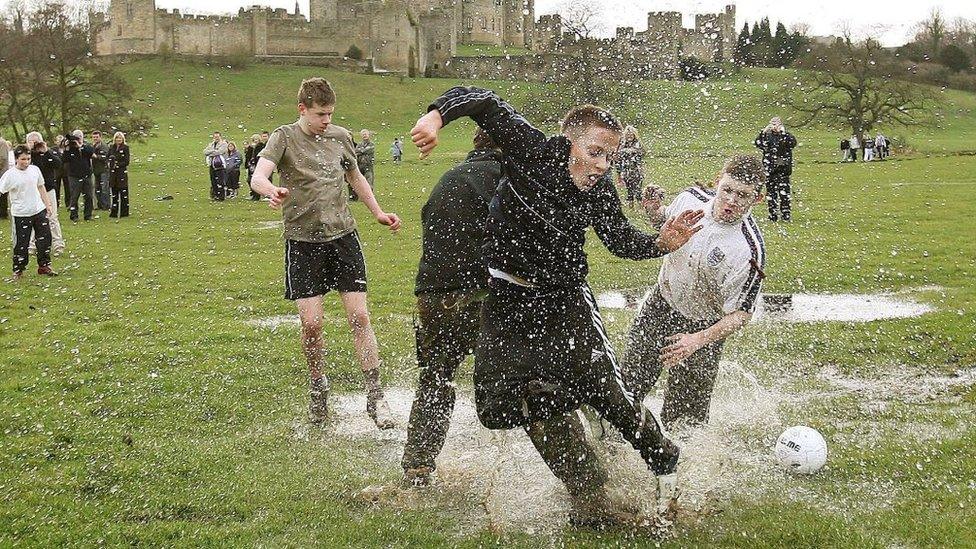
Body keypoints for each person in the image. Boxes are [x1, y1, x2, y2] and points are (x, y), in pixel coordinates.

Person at [411, 87, 704, 527]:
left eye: (611, 156)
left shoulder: (600, 190)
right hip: (508, 298)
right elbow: (482, 100)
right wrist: (435, 118)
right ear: (568, 143)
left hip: (565, 299)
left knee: (607, 393)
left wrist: (660, 242)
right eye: (595, 153)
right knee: (498, 405)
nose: (603, 166)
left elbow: (620, 239)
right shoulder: (532, 150)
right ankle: (586, 471)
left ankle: (663, 457)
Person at [250, 77, 402, 429]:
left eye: (331, 114)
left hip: (343, 237)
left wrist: (378, 212)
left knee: (359, 318)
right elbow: (258, 176)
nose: (326, 121)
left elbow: (357, 178)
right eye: (320, 114)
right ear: (302, 109)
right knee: (313, 325)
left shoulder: (340, 137)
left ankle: (375, 397)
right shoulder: (283, 137)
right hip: (302, 243)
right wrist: (269, 190)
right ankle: (318, 387)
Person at [623, 155, 766, 430]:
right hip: (660, 306)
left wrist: (697, 340)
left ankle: (679, 467)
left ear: (756, 199)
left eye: (743, 195)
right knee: (627, 386)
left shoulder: (748, 250)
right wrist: (654, 211)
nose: (732, 201)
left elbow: (741, 314)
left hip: (704, 328)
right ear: (717, 182)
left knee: (684, 421)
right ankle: (612, 446)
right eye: (728, 190)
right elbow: (664, 227)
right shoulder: (690, 198)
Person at [401, 129, 504, 486]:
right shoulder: (508, 180)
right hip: (482, 295)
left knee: (435, 376)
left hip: (433, 295)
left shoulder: (450, 177)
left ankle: (417, 464)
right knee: (530, 372)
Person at [1, 145, 57, 279]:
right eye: (23, 159)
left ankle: (44, 265)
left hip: (38, 210)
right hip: (21, 213)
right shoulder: (9, 175)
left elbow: (41, 186)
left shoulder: (35, 170)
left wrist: (47, 204)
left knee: (44, 239)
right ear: (16, 159)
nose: (26, 162)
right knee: (22, 243)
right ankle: (18, 269)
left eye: (28, 159)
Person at [27, 132, 65, 255]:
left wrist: (45, 151)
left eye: (36, 141)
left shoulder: (48, 153)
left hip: (48, 189)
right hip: (32, 191)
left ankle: (58, 245)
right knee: (32, 218)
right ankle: (32, 245)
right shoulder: (26, 156)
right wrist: (29, 151)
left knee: (52, 217)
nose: (34, 143)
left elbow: (58, 164)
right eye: (31, 141)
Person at [754, 117, 797, 222]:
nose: (775, 126)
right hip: (770, 170)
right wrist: (763, 132)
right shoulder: (767, 136)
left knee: (784, 194)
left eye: (777, 124)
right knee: (771, 193)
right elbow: (758, 143)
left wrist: (783, 133)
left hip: (783, 170)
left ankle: (786, 214)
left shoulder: (787, 136)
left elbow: (792, 143)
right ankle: (772, 215)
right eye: (773, 124)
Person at [62, 130, 95, 222]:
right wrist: (67, 148)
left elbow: (91, 153)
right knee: (74, 196)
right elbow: (64, 160)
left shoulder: (86, 146)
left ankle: (88, 215)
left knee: (88, 196)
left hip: (86, 175)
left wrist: (80, 146)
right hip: (74, 176)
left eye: (80, 136)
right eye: (76, 136)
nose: (78, 138)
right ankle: (74, 215)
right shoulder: (70, 149)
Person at [615, 125, 645, 208]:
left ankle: (641, 208)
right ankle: (631, 208)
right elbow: (618, 159)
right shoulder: (622, 145)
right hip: (626, 171)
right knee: (629, 190)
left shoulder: (638, 144)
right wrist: (619, 173)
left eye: (631, 135)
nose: (629, 137)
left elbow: (641, 154)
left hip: (636, 170)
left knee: (638, 190)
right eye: (628, 135)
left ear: (634, 135)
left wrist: (631, 151)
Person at [107, 132, 131, 218]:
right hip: (113, 174)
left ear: (122, 139)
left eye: (120, 138)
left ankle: (124, 212)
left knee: (123, 193)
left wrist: (118, 165)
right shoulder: (111, 147)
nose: (118, 140)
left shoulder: (125, 148)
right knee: (114, 193)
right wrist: (110, 163)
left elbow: (127, 161)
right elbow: (108, 157)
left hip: (121, 173)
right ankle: (114, 212)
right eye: (117, 138)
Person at [351, 129, 376, 201]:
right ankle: (354, 197)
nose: (364, 135)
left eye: (366, 134)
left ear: (369, 135)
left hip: (368, 165)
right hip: (359, 165)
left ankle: (369, 198)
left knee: (369, 181)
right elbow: (356, 152)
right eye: (363, 134)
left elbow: (367, 150)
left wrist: (361, 151)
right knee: (357, 181)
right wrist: (361, 151)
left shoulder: (371, 144)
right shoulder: (359, 144)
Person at [203, 132, 228, 201]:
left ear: (220, 137)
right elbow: (205, 152)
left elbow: (220, 152)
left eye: (217, 137)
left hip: (220, 165)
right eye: (215, 137)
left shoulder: (224, 144)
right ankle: (215, 194)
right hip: (212, 164)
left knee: (220, 181)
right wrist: (213, 151)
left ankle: (221, 196)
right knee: (213, 180)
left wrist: (210, 153)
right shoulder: (211, 144)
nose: (216, 138)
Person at [91, 131, 111, 210]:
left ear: (100, 137)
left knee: (104, 188)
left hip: (103, 170)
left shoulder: (104, 146)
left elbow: (105, 157)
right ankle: (100, 205)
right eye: (94, 137)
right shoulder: (93, 146)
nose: (95, 138)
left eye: (97, 137)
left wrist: (96, 156)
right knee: (97, 188)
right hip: (96, 170)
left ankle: (106, 205)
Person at [244, 134, 260, 199]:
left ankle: (257, 195)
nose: (255, 141)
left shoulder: (260, 147)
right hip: (251, 165)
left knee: (256, 180)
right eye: (254, 139)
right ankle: (252, 193)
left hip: (257, 165)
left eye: (256, 139)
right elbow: (248, 156)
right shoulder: (251, 148)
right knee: (249, 180)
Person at [0, 135, 11, 219]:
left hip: (2, 172)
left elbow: (2, 158)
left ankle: (3, 213)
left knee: (2, 192)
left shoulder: (2, 143)